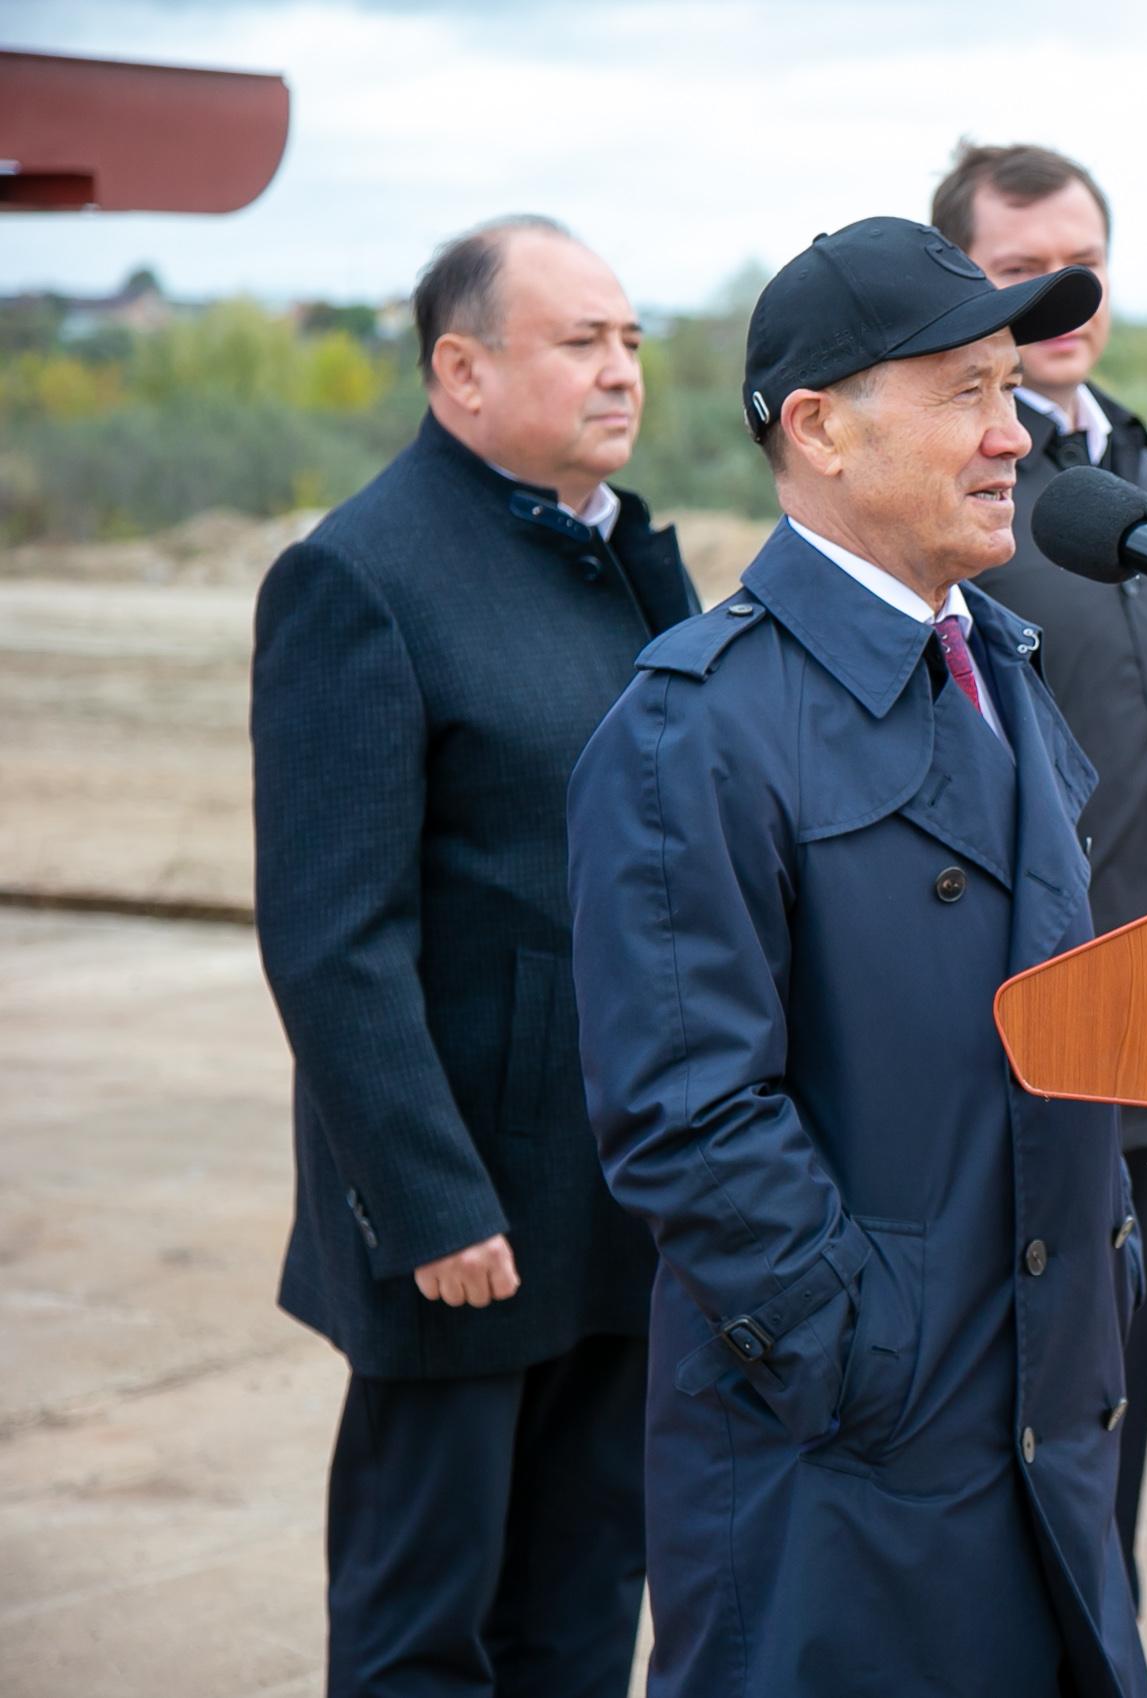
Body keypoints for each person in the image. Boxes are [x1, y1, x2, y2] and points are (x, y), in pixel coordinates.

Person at [564, 218, 1147, 1698]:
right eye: (965, 390)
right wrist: (862, 1351)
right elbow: (687, 1116)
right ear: (820, 428)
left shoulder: (994, 663)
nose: (1011, 435)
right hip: (841, 1457)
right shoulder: (693, 721)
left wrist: (1100, 1260)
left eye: (1010, 389)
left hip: (1035, 1421)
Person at [250, 215, 694, 1697]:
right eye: (582, 341)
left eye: (629, 339)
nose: (621, 371)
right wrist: (429, 1202)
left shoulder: (616, 556)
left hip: (615, 1187)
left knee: (579, 1607)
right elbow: (333, 937)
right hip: (464, 1214)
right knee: (421, 1627)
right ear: (460, 370)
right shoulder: (360, 578)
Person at [932, 141, 1147, 1589]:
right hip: (1030, 1013)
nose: (1059, 295)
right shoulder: (963, 483)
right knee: (1019, 1399)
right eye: (1014, 270)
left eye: (1080, 264)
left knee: (1127, 1372)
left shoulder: (1133, 460)